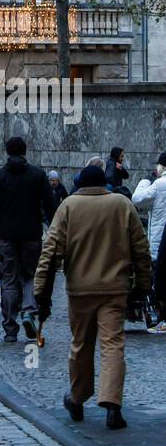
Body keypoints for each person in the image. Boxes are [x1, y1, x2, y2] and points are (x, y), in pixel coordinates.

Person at [35, 163, 152, 430]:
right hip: (114, 288)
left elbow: (50, 251)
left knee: (80, 345)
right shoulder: (121, 205)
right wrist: (144, 283)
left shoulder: (69, 207)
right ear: (104, 184)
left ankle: (77, 398)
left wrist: (41, 291)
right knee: (112, 345)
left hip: (79, 290)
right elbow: (140, 248)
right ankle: (112, 404)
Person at [0, 136, 54, 343]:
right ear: (24, 151)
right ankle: (28, 311)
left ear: (7, 152)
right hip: (31, 235)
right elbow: (50, 204)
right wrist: (56, 228)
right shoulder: (37, 175)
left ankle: (10, 327)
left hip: (7, 236)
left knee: (8, 280)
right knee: (30, 275)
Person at [132, 153, 166, 331]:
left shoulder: (159, 184)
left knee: (159, 280)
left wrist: (145, 181)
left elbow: (137, 199)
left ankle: (162, 318)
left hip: (159, 241)